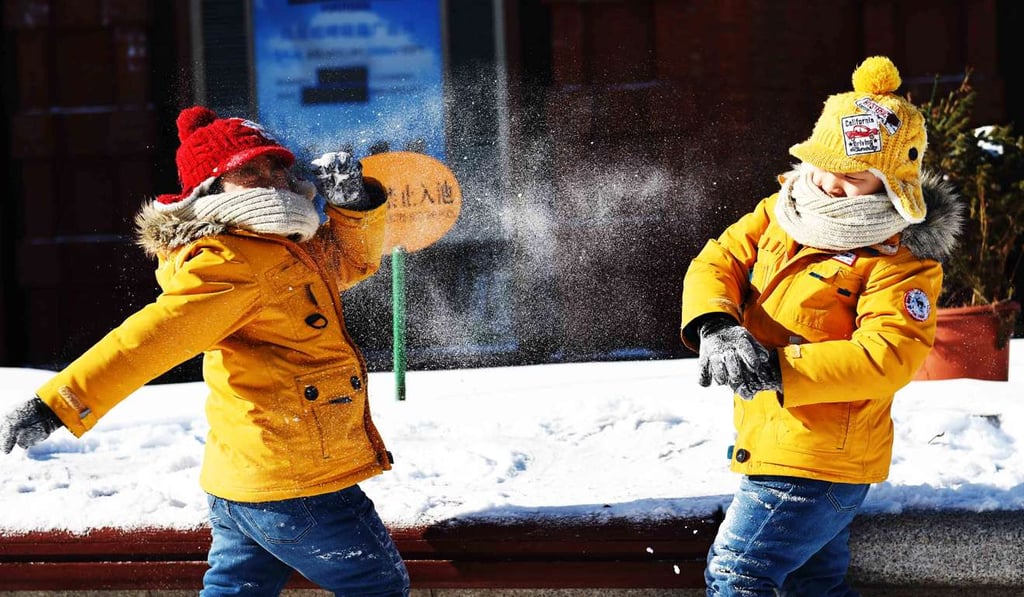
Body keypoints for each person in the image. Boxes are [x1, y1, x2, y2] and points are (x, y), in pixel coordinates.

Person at [0, 106, 410, 596]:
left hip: (243, 480)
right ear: (211, 190)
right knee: (378, 585)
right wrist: (57, 404)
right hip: (296, 483)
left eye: (276, 166)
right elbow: (147, 342)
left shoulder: (282, 245)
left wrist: (352, 203)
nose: (272, 181)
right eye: (250, 172)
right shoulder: (229, 261)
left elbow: (350, 261)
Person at [680, 56, 962, 596]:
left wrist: (776, 367)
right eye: (824, 165)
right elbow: (718, 261)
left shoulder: (901, 261)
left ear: (893, 185)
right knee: (813, 585)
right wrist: (715, 323)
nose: (832, 184)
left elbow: (888, 355)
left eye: (855, 177)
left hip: (821, 458)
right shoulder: (782, 209)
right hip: (776, 439)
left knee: (739, 574)